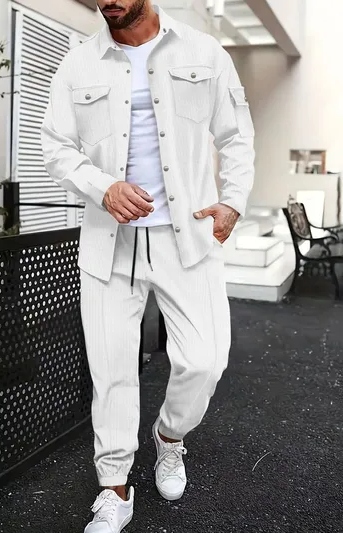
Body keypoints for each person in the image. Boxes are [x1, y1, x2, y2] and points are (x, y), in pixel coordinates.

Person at [41, 0, 255, 531]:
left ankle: (169, 436)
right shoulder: (77, 63)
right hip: (109, 242)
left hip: (188, 237)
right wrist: (102, 186)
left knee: (205, 360)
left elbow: (236, 135)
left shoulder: (204, 51)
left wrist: (233, 200)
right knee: (111, 369)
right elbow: (57, 148)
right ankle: (113, 487)